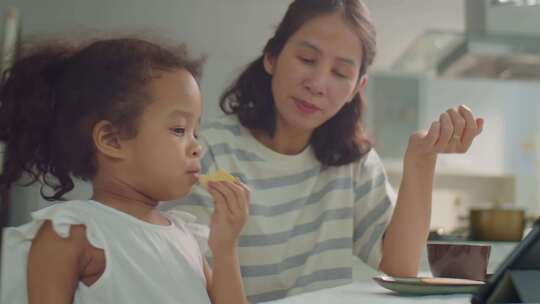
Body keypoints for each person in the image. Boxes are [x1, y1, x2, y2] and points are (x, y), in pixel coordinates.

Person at [166, 0, 484, 302]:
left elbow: (398, 270)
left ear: (356, 89)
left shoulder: (354, 163)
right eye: (307, 60)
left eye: (340, 73)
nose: (318, 83)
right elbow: (193, 282)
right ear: (271, 57)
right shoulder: (208, 151)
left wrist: (421, 160)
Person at [0, 38, 250, 304]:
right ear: (112, 140)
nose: (197, 147)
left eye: (195, 132)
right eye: (179, 129)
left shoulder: (185, 236)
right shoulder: (71, 233)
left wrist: (225, 249)